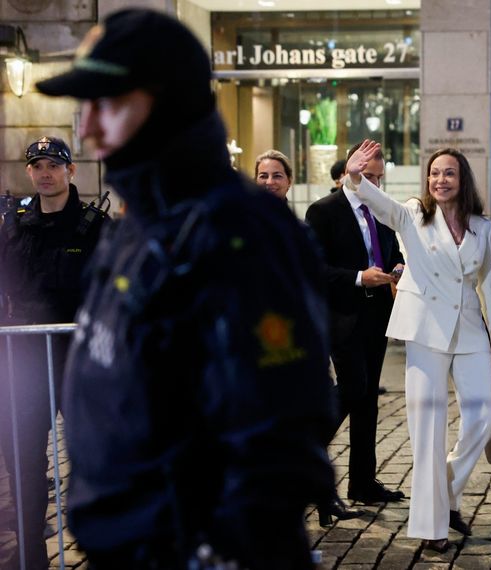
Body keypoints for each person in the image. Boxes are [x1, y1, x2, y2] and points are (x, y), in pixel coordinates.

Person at [35, 9, 336, 569]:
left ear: (163, 103)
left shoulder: (237, 231)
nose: (88, 129)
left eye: (108, 104)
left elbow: (276, 433)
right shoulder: (140, 223)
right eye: (86, 108)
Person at [344, 141, 491, 553]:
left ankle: (446, 491)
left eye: (449, 173)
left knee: (483, 418)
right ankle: (431, 525)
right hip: (424, 331)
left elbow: (487, 285)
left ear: (462, 179)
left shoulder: (482, 226)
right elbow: (384, 207)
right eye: (434, 173)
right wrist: (355, 177)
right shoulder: (413, 215)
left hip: (470, 330)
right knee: (427, 429)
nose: (440, 180)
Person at [0, 136, 107, 569]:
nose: (45, 172)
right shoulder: (14, 225)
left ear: (70, 171)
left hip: (77, 361)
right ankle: (30, 559)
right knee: (24, 465)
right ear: (29, 172)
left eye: (53, 165)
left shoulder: (94, 226)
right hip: (23, 362)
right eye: (37, 165)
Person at [305, 144, 406, 514]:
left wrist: (396, 268)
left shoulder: (382, 210)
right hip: (341, 314)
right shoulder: (323, 210)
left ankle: (363, 482)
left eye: (379, 177)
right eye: (368, 175)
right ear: (351, 172)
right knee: (353, 386)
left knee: (367, 401)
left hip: (377, 313)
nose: (374, 183)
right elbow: (315, 267)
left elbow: (392, 252)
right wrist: (360, 277)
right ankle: (306, 454)